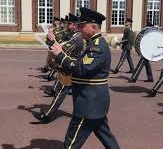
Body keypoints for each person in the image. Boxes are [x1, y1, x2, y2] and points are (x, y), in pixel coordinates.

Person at [50, 8, 120, 149]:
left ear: (94, 27)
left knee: (70, 144)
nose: (79, 29)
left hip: (88, 104)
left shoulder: (97, 47)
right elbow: (81, 66)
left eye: (82, 26)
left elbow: (81, 69)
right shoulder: (93, 44)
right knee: (107, 139)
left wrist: (60, 56)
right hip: (94, 104)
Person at [33, 13, 84, 122]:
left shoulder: (78, 37)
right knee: (77, 94)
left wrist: (53, 39)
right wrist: (50, 39)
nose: (66, 25)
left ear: (75, 25)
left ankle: (47, 115)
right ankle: (82, 115)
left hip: (71, 68)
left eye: (69, 23)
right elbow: (58, 45)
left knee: (61, 92)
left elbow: (63, 49)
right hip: (70, 67)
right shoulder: (72, 34)